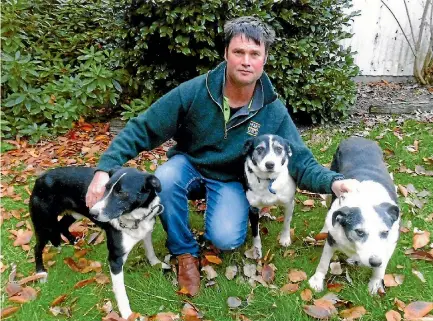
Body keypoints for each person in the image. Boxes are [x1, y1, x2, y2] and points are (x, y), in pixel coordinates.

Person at [86, 16, 358, 297]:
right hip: (189, 165)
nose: (246, 61)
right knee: (164, 178)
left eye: (255, 54)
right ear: (226, 54)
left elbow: (301, 159)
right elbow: (144, 127)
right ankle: (184, 253)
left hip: (230, 179)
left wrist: (334, 182)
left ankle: (219, 218)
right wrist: (105, 168)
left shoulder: (273, 110)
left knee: (226, 238)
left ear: (265, 59)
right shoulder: (195, 91)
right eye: (238, 52)